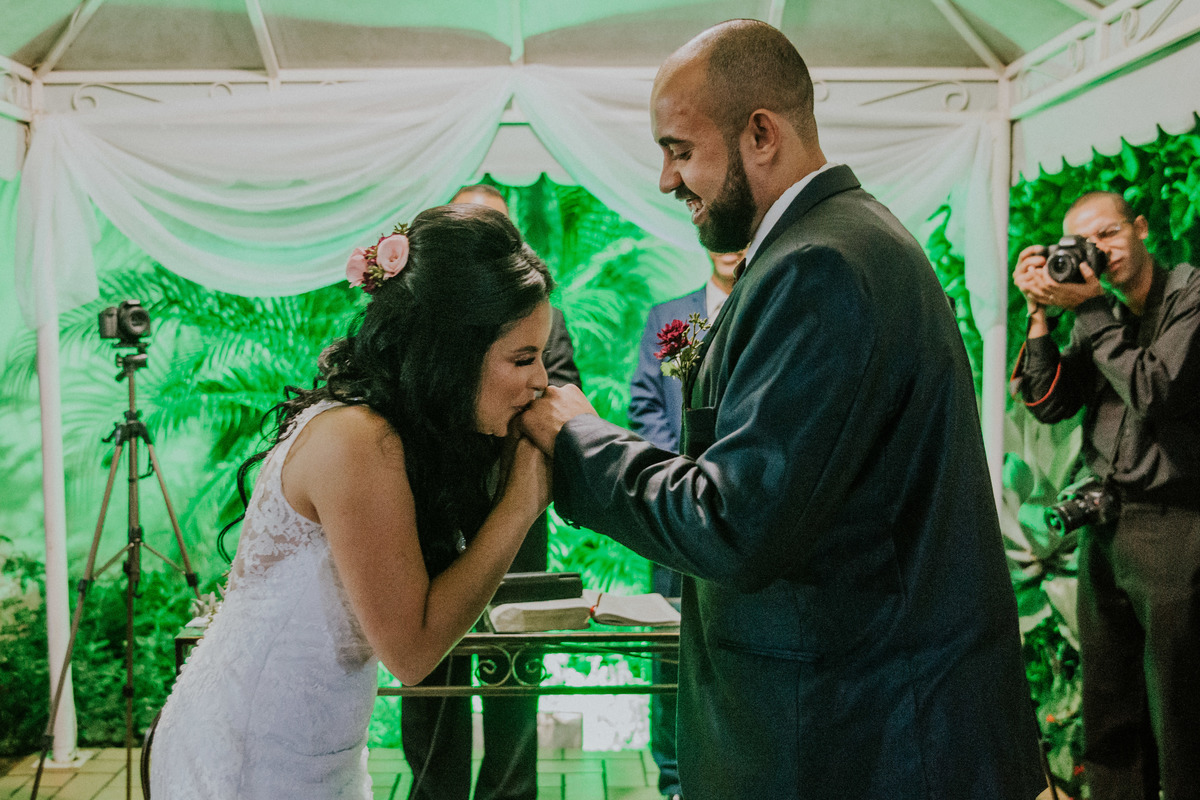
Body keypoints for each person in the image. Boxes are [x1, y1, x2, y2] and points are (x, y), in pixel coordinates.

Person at [517, 19, 1046, 800]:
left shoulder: (821, 267)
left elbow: (735, 522)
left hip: (860, 737)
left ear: (760, 133)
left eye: (679, 149)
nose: (666, 179)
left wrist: (577, 437)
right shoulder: (831, 244)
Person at [150, 204, 555, 800]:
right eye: (523, 358)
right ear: (451, 352)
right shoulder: (357, 441)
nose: (542, 379)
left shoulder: (389, 429)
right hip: (251, 759)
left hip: (313, 751)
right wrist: (521, 503)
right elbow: (413, 653)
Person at [1011, 190, 1200, 800]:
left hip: (1176, 528)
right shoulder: (1107, 312)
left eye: (1110, 235)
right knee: (1110, 712)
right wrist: (1041, 312)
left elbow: (1155, 390)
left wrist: (1088, 311)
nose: (1101, 253)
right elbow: (1050, 401)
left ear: (1141, 228)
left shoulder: (1190, 298)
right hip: (1105, 525)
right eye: (1086, 245)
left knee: (1180, 711)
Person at [401, 183, 581, 800]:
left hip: (516, 518)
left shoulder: (539, 315)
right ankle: (436, 789)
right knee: (431, 676)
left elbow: (557, 399)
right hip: (430, 512)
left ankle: (509, 792)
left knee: (515, 669)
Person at [627, 247, 741, 800]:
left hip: (742, 507)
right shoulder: (666, 316)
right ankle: (673, 778)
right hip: (674, 503)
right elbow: (645, 403)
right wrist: (677, 467)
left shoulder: (762, 309)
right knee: (667, 638)